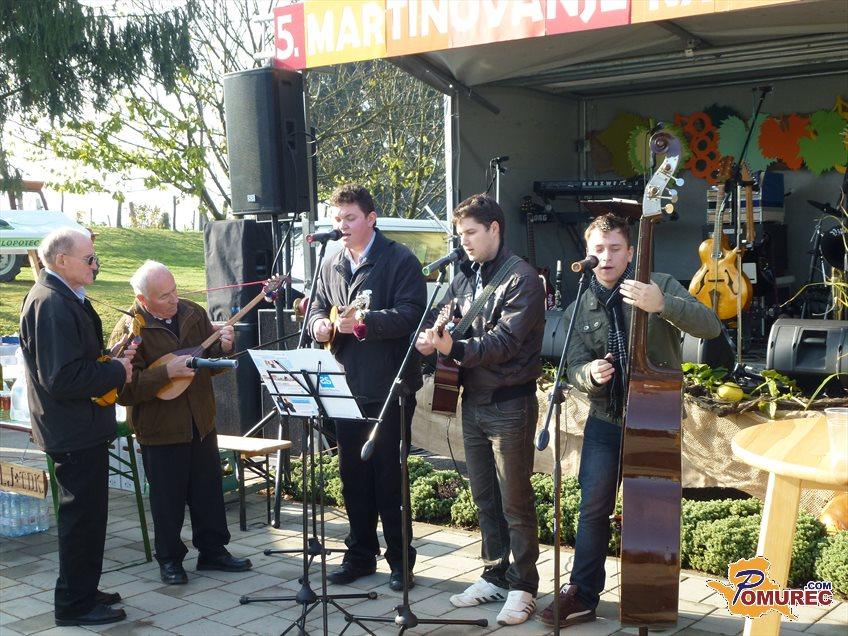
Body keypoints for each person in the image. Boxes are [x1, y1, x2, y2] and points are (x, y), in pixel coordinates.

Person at [538, 213, 722, 628]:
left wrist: (663, 304)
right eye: (598, 250)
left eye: (614, 249)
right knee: (592, 508)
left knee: (654, 510)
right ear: (587, 253)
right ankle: (582, 594)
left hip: (655, 419)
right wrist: (589, 375)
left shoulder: (659, 284)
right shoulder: (579, 304)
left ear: (631, 252)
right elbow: (572, 366)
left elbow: (711, 327)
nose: (605, 257)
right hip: (605, 420)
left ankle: (651, 597)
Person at [416, 193, 545, 626]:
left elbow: (504, 343)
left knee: (515, 499)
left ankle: (524, 586)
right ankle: (494, 574)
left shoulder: (523, 279)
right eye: (460, 235)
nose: (465, 242)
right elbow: (445, 319)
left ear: (494, 228)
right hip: (472, 400)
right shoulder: (464, 276)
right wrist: (430, 338)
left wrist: (454, 347)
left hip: (510, 404)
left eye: (471, 232)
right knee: (484, 496)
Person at [308, 183, 426, 591]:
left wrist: (363, 323)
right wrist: (319, 324)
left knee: (388, 477)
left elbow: (412, 314)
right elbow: (317, 306)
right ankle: (359, 555)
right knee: (352, 476)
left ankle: (401, 562)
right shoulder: (331, 262)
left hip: (389, 386)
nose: (341, 225)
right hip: (344, 384)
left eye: (350, 218)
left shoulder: (399, 259)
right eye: (337, 218)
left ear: (371, 219)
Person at [20, 228, 136, 627]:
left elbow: (75, 362)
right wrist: (115, 371)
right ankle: (73, 604)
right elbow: (62, 378)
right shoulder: (52, 302)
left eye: (94, 257)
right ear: (61, 260)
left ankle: (84, 590)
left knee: (89, 517)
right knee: (81, 519)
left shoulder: (64, 296)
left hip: (79, 426)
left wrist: (110, 360)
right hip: (72, 430)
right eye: (88, 258)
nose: (95, 265)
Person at [109, 260, 252, 585]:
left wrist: (224, 346)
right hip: (160, 429)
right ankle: (170, 560)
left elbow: (210, 364)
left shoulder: (192, 313)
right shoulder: (130, 329)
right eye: (164, 296)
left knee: (208, 492)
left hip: (200, 421)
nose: (174, 299)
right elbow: (123, 390)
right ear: (143, 299)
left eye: (174, 290)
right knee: (167, 500)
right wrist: (165, 373)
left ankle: (213, 551)